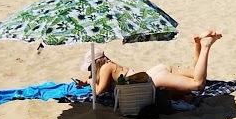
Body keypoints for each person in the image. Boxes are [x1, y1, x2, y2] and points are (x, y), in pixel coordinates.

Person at [76, 31, 222, 99]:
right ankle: (197, 44)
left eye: (90, 68)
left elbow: (99, 91)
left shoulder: (106, 68)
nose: (90, 71)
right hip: (155, 71)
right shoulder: (110, 66)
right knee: (196, 73)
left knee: (198, 84)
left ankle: (206, 46)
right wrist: (88, 80)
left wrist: (90, 83)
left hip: (153, 79)